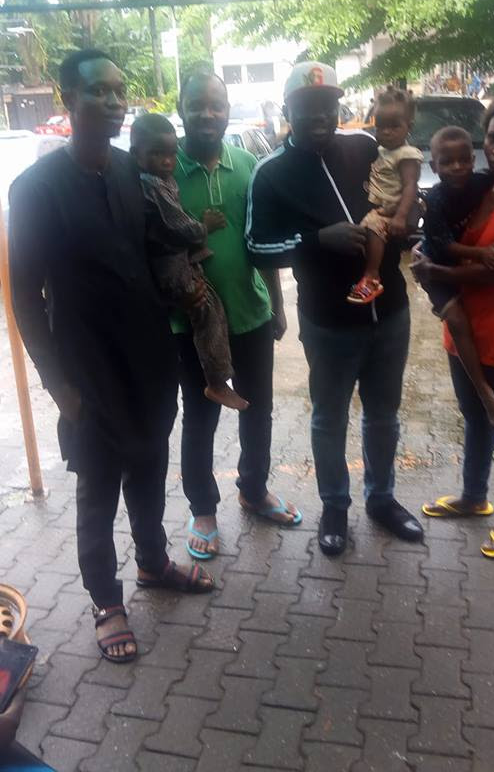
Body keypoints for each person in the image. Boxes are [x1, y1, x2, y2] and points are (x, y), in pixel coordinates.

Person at [8, 49, 213, 665]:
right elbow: (23, 296)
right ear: (68, 98)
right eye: (99, 90)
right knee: (97, 492)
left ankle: (152, 562)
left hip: (148, 361)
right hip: (87, 372)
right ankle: (105, 602)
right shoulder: (35, 189)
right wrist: (59, 386)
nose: (115, 101)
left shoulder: (131, 171)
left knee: (149, 469)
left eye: (120, 91)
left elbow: (154, 255)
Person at [246, 61, 424, 555]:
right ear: (288, 111)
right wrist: (316, 240)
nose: (319, 115)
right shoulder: (271, 173)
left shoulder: (365, 147)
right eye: (306, 107)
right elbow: (256, 248)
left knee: (384, 415)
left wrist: (414, 212)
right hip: (328, 322)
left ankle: (381, 500)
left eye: (327, 105)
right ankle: (335, 506)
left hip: (390, 312)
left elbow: (402, 192)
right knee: (329, 418)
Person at [173, 69, 301, 561]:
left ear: (228, 111)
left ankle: (253, 489)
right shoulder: (161, 169)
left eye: (217, 105)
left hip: (250, 313)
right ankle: (203, 509)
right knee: (200, 415)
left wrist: (278, 305)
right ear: (181, 109)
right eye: (197, 105)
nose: (208, 114)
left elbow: (263, 243)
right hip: (190, 323)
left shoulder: (248, 165)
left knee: (257, 409)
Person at [415, 91, 494, 558]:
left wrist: (432, 270)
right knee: (474, 417)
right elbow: (443, 232)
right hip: (463, 329)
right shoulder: (484, 186)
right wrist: (426, 247)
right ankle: (473, 497)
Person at [130, 113, 248, 411]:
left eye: (171, 154)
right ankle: (217, 382)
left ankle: (218, 380)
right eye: (156, 154)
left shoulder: (160, 180)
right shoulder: (152, 185)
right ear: (136, 155)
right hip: (169, 266)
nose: (166, 161)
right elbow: (178, 225)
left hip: (175, 257)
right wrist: (204, 227)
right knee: (208, 310)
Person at [418, 125, 494, 428]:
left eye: (463, 160)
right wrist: (481, 253)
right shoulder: (435, 199)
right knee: (458, 322)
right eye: (447, 162)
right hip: (435, 268)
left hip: (463, 265)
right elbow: (443, 246)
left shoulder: (482, 182)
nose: (457, 167)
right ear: (434, 166)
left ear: (473, 160)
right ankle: (484, 393)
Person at [347, 89, 422, 304]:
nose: (386, 132)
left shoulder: (407, 155)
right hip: (381, 206)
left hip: (394, 208)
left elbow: (410, 186)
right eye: (380, 126)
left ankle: (372, 276)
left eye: (394, 126)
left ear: (409, 127)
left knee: (374, 227)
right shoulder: (381, 150)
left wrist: (401, 215)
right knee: (368, 230)